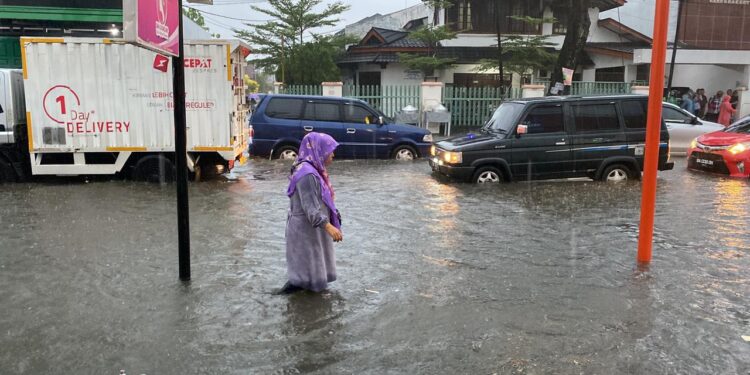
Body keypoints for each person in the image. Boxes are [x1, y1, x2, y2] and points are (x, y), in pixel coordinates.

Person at [276, 132, 343, 294]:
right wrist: (329, 227)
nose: (333, 154)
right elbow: (310, 208)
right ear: (318, 150)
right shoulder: (307, 174)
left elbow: (321, 201)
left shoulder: (311, 169)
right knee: (303, 277)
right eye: (330, 150)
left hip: (310, 229)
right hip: (305, 231)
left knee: (309, 272)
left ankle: (308, 306)